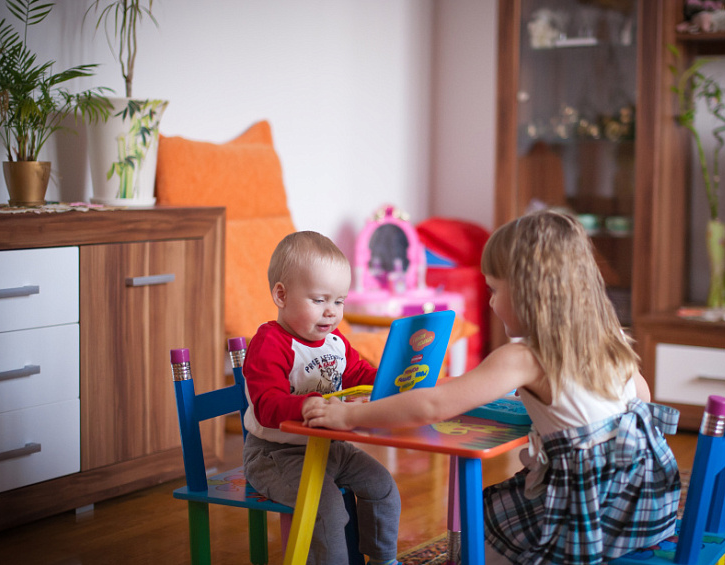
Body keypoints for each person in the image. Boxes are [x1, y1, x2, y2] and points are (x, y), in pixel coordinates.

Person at [304, 211, 681, 564]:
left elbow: (433, 406)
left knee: (479, 522)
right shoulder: (609, 336)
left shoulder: (524, 356)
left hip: (589, 517)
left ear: (528, 293)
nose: (491, 301)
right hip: (646, 506)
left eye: (495, 289)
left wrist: (350, 414)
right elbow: (641, 399)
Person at [242, 230, 401, 565]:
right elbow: (266, 404)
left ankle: (384, 559)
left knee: (382, 485)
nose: (331, 312)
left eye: (339, 301)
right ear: (281, 296)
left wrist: (391, 383)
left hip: (328, 446)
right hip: (276, 454)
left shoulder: (335, 341)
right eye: (319, 300)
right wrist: (305, 404)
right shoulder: (270, 342)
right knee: (327, 510)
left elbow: (359, 374)